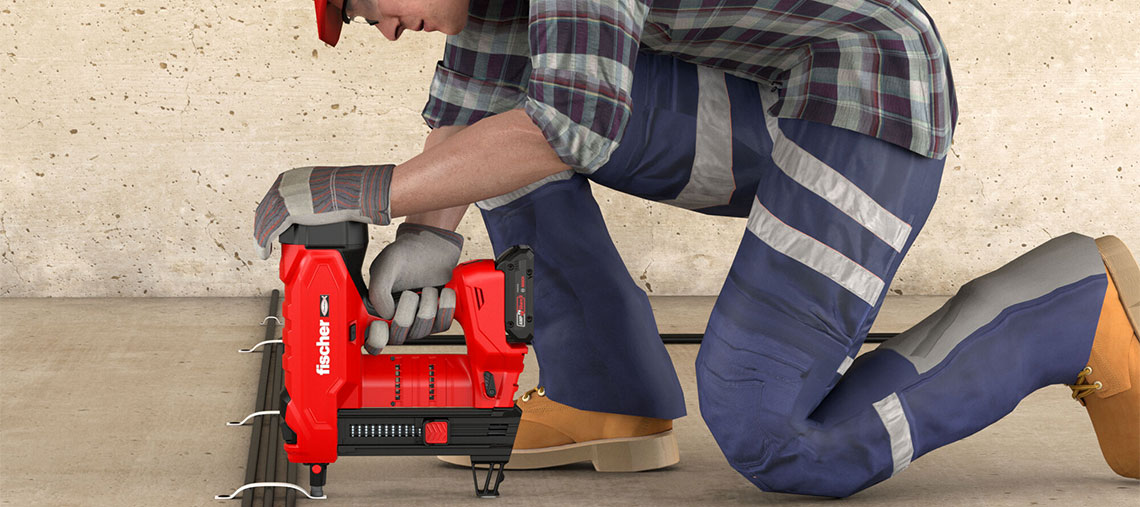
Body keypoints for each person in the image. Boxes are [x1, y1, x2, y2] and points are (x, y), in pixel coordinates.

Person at [253, 0, 1140, 496]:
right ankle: (605, 394)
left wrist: (358, 190)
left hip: (864, 97)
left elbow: (572, 125)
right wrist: (422, 234)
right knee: (503, 122)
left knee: (771, 433)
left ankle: (1074, 309)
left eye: (367, 3)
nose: (382, 27)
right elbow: (477, 106)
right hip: (771, 96)